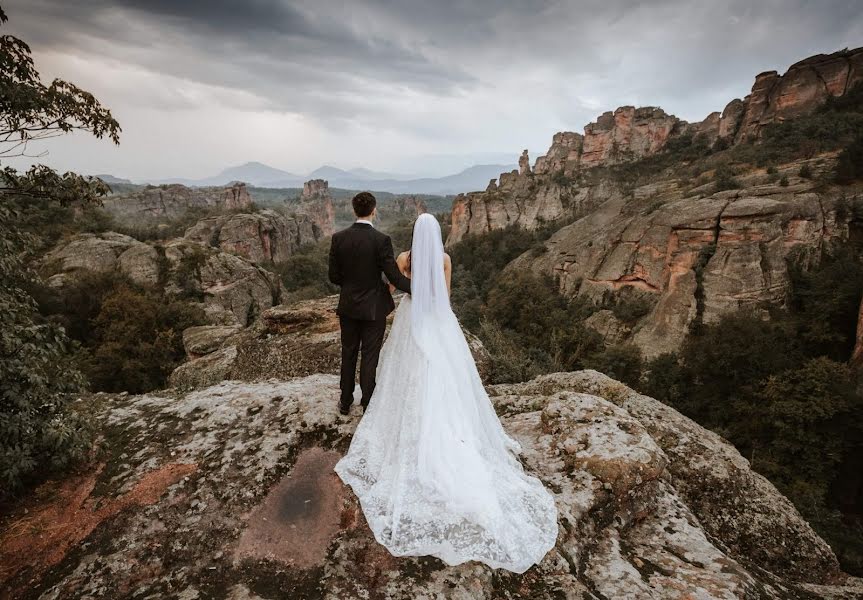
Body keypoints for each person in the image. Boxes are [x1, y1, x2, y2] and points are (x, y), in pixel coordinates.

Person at [334, 213, 558, 573]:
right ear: (437, 235)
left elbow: (394, 287)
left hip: (411, 319)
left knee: (405, 370)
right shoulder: (445, 260)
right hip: (438, 321)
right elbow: (446, 296)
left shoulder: (406, 258)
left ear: (415, 234)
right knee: (447, 375)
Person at [328, 191, 411, 415]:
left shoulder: (339, 238)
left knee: (348, 353)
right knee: (369, 356)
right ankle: (367, 403)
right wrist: (420, 289)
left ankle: (345, 401)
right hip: (374, 308)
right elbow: (394, 277)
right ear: (374, 211)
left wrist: (352, 283)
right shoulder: (381, 240)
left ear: (354, 210)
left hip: (348, 306)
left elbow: (334, 277)